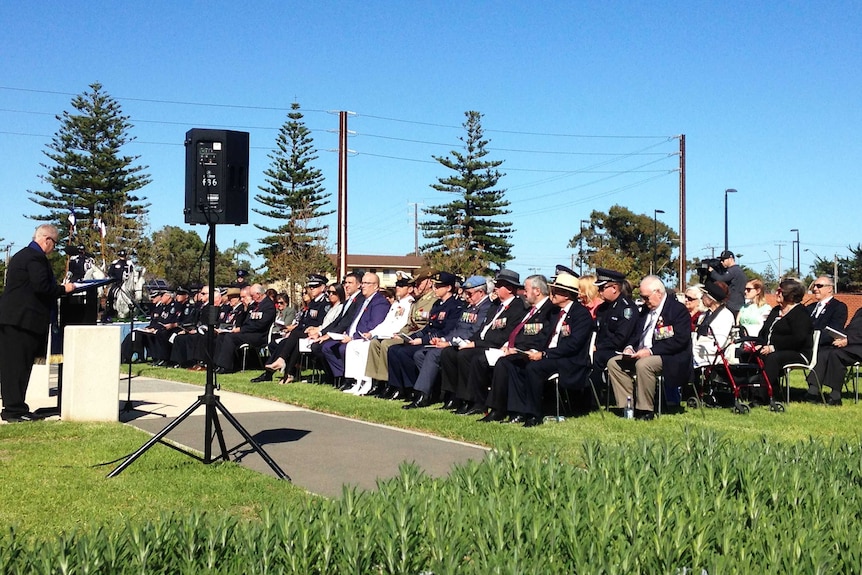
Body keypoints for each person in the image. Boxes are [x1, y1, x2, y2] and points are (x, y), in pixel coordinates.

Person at [496, 267, 593, 426]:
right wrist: (532, 351)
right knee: (513, 362)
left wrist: (544, 354)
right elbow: (544, 336)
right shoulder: (554, 313)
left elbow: (573, 345)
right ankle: (517, 411)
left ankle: (534, 414)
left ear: (567, 295)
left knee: (535, 368)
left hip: (570, 360)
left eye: (555, 291)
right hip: (549, 355)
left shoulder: (581, 314)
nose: (551, 294)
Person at [0, 224, 76, 422]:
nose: (54, 248)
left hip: (17, 320)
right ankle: (13, 410)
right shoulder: (34, 258)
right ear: (47, 240)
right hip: (21, 321)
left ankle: (16, 407)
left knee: (17, 366)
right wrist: (64, 289)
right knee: (16, 367)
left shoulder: (24, 255)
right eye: (55, 243)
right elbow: (42, 286)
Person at [606, 275, 692, 420]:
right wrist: (629, 347)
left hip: (669, 356)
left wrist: (651, 351)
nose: (644, 301)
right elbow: (636, 334)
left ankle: (645, 410)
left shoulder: (677, 310)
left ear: (658, 292)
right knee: (614, 363)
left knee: (644, 364)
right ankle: (627, 406)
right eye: (642, 297)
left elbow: (680, 340)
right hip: (641, 353)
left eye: (646, 297)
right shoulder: (645, 311)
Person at [440, 269, 526, 412]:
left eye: (499, 285)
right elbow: (482, 330)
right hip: (482, 343)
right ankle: (456, 397)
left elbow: (502, 337)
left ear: (510, 288)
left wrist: (475, 344)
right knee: (449, 353)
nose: (496, 288)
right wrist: (470, 342)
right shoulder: (496, 306)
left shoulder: (517, 308)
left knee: (467, 356)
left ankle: (475, 401)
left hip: (495, 347)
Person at [403, 275, 493, 409]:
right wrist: (444, 339)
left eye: (469, 293)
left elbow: (474, 331)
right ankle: (433, 390)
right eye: (465, 293)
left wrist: (449, 343)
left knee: (434, 354)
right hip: (454, 342)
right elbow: (457, 328)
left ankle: (424, 395)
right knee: (420, 355)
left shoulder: (486, 308)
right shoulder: (469, 307)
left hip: (467, 345)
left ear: (481, 292)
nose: (467, 297)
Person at [382, 271, 464, 398]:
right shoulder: (437, 304)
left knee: (406, 353)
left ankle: (415, 388)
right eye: (434, 286)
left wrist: (422, 340)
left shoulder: (455, 306)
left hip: (436, 341)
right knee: (394, 350)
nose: (434, 289)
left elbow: (446, 331)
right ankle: (400, 387)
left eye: (438, 286)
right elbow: (428, 327)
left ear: (448, 288)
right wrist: (413, 337)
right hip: (429, 338)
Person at [342, 277, 414, 395]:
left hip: (395, 336)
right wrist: (372, 333)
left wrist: (382, 334)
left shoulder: (409, 304)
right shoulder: (397, 303)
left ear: (410, 289)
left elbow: (401, 325)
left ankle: (382, 383)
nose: (398, 288)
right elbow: (385, 323)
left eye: (401, 285)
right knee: (360, 344)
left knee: (378, 344)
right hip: (385, 334)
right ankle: (359, 381)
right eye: (397, 285)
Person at [321, 272, 389, 385]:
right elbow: (353, 321)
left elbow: (373, 325)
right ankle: (344, 378)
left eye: (367, 283)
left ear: (376, 286)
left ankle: (353, 380)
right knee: (327, 347)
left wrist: (353, 337)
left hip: (364, 338)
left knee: (344, 348)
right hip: (351, 335)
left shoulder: (379, 302)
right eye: (363, 283)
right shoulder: (365, 300)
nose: (363, 286)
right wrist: (346, 334)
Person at [752, 278, 813, 404]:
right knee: (747, 353)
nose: (776, 293)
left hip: (797, 352)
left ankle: (761, 397)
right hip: (771, 350)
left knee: (773, 357)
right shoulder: (775, 311)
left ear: (790, 295)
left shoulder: (800, 313)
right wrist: (759, 345)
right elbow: (763, 332)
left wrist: (773, 347)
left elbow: (798, 339)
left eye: (780, 291)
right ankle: (743, 391)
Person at [590, 268, 638, 400]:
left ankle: (594, 398)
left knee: (596, 358)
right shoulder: (602, 308)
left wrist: (598, 347)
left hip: (619, 351)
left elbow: (620, 339)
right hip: (603, 348)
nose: (599, 292)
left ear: (614, 288)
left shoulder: (627, 308)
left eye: (602, 288)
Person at [212, 284, 276, 374]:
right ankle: (216, 364)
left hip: (259, 335)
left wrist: (241, 330)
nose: (252, 298)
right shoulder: (255, 305)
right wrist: (247, 308)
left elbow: (260, 325)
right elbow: (247, 321)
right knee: (222, 336)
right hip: (248, 333)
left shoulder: (268, 306)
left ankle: (226, 366)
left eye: (252, 295)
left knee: (231, 337)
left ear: (258, 294)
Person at [809, 307, 862, 405]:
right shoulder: (860, 311)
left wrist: (848, 340)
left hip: (858, 346)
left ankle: (835, 396)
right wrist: (840, 336)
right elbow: (851, 329)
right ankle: (813, 390)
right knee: (824, 352)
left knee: (836, 355)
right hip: (851, 344)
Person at [692, 281, 734, 367]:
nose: (701, 298)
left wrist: (695, 349)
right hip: (696, 357)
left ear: (710, 299)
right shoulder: (703, 315)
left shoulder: (726, 316)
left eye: (703, 295)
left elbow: (719, 344)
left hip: (713, 360)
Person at [806, 276, 847, 348]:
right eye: (814, 286)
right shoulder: (809, 307)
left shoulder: (838, 307)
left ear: (829, 289)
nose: (815, 289)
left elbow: (832, 332)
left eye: (819, 286)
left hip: (824, 349)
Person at [709, 250, 747, 316]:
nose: (721, 262)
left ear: (731, 259)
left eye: (724, 259)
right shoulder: (739, 270)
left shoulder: (733, 270)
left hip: (732, 303)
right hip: (739, 302)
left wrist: (712, 271)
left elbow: (720, 279)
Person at [104, 249, 133, 322]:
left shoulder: (129, 264)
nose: (122, 257)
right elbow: (110, 273)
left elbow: (132, 273)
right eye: (121, 256)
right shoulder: (115, 263)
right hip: (117, 283)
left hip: (127, 283)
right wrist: (113, 278)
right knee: (111, 293)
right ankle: (110, 309)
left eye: (124, 256)